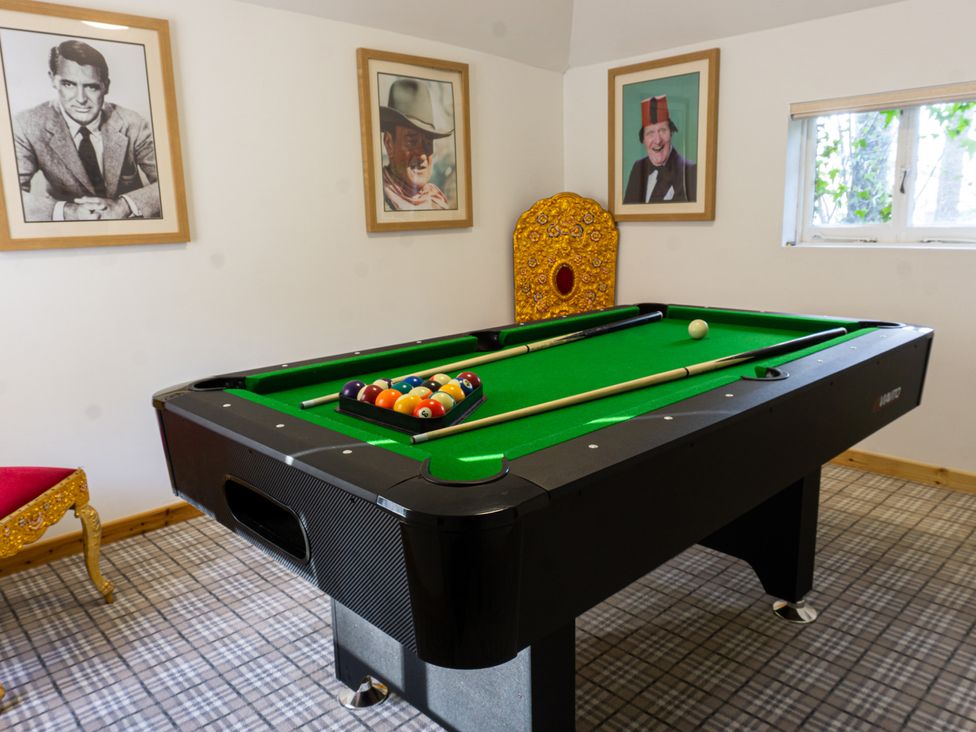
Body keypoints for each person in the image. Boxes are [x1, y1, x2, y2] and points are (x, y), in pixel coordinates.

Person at [13, 40, 160, 222]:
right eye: (68, 84)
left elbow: (171, 183)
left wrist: (124, 205)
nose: (81, 99)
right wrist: (67, 211)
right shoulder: (28, 124)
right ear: (53, 79)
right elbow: (8, 195)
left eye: (91, 87)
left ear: (106, 86)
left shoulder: (133, 123)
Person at [380, 78, 454, 211]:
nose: (422, 155)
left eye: (428, 141)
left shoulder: (438, 203)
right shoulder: (378, 201)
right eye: (412, 141)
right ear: (389, 143)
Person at [623, 95, 697, 204]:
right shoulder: (638, 167)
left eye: (662, 130)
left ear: (671, 132)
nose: (657, 140)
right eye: (650, 133)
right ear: (643, 138)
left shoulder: (690, 171)